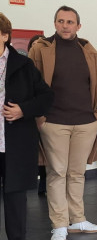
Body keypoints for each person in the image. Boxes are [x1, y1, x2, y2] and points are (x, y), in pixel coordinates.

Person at [29, 6, 97, 240]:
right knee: (56, 174)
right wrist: (40, 118)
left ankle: (78, 219)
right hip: (54, 122)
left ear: (78, 26)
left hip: (86, 122)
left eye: (70, 22)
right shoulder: (41, 49)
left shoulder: (88, 49)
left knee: (77, 173)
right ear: (55, 23)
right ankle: (59, 224)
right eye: (61, 21)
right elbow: (30, 83)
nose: (65, 25)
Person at [0, 13, 53, 240]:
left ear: (4, 35)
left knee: (15, 192)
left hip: (15, 140)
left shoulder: (23, 65)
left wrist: (23, 109)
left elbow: (45, 97)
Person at [28, 34, 47, 197]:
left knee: (48, 150)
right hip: (31, 115)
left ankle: (46, 182)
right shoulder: (26, 68)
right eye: (34, 45)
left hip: (48, 114)